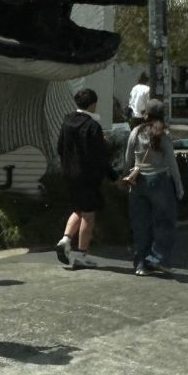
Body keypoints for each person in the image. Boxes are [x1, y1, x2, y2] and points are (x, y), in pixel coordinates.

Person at [55, 87, 121, 270]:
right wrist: (114, 176)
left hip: (69, 173)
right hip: (87, 176)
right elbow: (99, 156)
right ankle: (82, 254)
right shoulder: (92, 126)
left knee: (78, 208)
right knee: (89, 214)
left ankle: (65, 240)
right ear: (93, 104)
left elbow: (60, 148)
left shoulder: (67, 122)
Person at [124, 100, 184, 276]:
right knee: (164, 222)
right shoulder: (163, 136)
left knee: (140, 224)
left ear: (146, 114)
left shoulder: (136, 132)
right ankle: (158, 258)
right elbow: (173, 165)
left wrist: (127, 177)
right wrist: (179, 187)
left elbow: (127, 158)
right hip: (159, 182)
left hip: (138, 182)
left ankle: (140, 264)